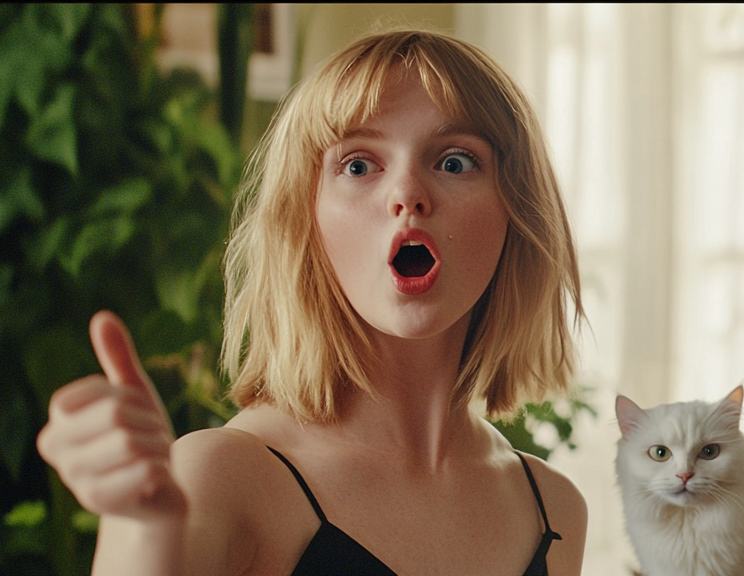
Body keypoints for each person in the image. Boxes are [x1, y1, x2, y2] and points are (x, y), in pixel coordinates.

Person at [35, 29, 589, 575]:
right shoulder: (223, 477)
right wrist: (144, 530)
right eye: (357, 165)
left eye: (454, 161)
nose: (407, 194)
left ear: (516, 212)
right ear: (308, 220)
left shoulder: (555, 507)